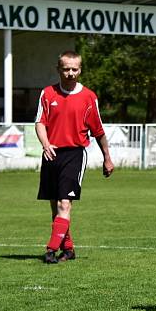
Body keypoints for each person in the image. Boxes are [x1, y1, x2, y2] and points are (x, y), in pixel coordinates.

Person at [35, 50, 114, 264]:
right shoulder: (48, 94)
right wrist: (45, 143)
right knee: (55, 207)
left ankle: (51, 250)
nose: (70, 73)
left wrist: (107, 157)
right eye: (66, 69)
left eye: (74, 69)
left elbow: (98, 131)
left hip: (74, 154)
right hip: (51, 154)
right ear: (58, 69)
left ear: (80, 70)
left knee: (65, 204)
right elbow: (40, 122)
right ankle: (68, 249)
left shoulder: (89, 97)